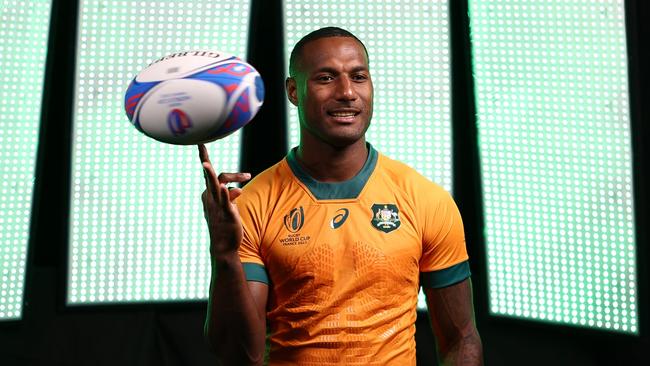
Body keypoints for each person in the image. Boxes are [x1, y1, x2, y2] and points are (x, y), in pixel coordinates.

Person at [199, 27, 483, 366]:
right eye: (326, 78)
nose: (347, 92)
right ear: (294, 91)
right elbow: (242, 353)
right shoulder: (254, 202)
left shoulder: (425, 199)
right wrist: (225, 255)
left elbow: (461, 339)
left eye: (358, 77)